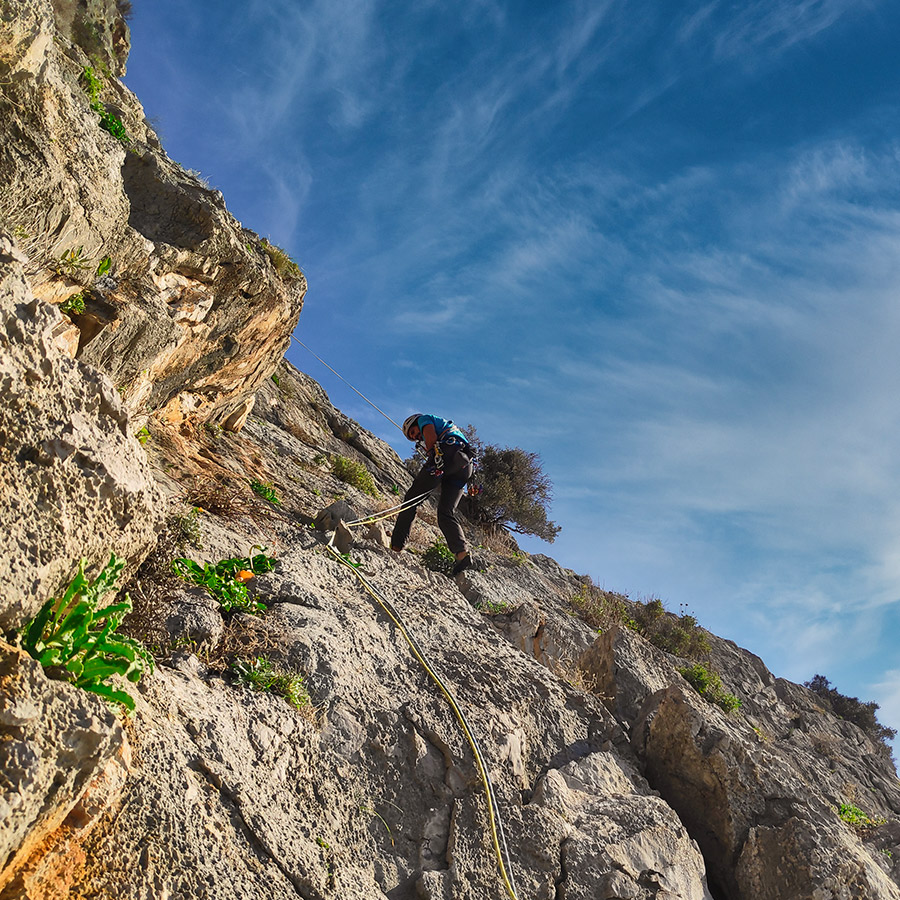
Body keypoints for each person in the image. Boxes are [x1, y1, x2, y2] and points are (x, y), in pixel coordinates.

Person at [391, 413, 475, 575]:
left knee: (411, 499)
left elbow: (430, 435)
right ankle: (462, 554)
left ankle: (396, 546)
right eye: (413, 437)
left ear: (416, 422)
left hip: (447, 454)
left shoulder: (424, 419)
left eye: (414, 432)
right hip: (464, 466)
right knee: (445, 512)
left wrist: (432, 453)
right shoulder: (450, 428)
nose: (416, 436)